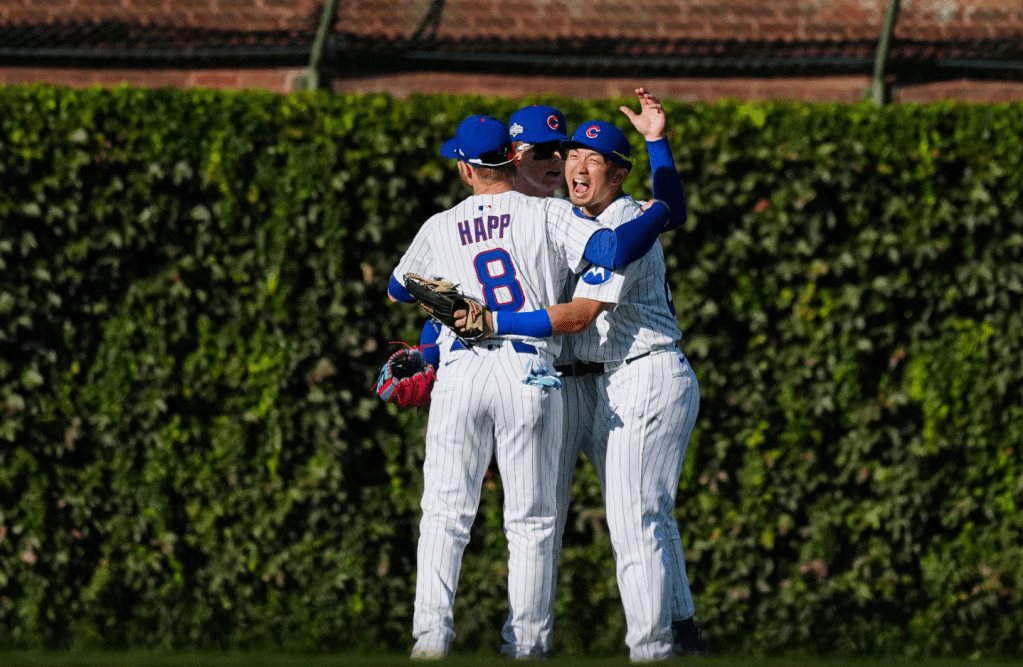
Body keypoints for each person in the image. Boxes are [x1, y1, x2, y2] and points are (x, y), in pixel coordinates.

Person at [387, 113, 672, 659]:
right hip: (528, 371)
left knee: (444, 515)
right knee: (533, 523)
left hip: (462, 370)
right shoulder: (547, 213)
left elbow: (401, 289)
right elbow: (611, 249)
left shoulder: (440, 224)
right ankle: (527, 646)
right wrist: (659, 210)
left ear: (465, 169)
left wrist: (430, 345)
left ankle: (430, 642)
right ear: (512, 158)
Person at [457, 115, 707, 660]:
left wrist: (492, 323)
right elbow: (675, 211)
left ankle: (652, 649)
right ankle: (682, 633)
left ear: (617, 176)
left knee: (635, 519)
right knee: (644, 515)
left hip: (643, 371)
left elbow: (579, 315)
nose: (577, 165)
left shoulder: (622, 221)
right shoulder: (569, 216)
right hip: (596, 380)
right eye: (572, 154)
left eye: (594, 160)